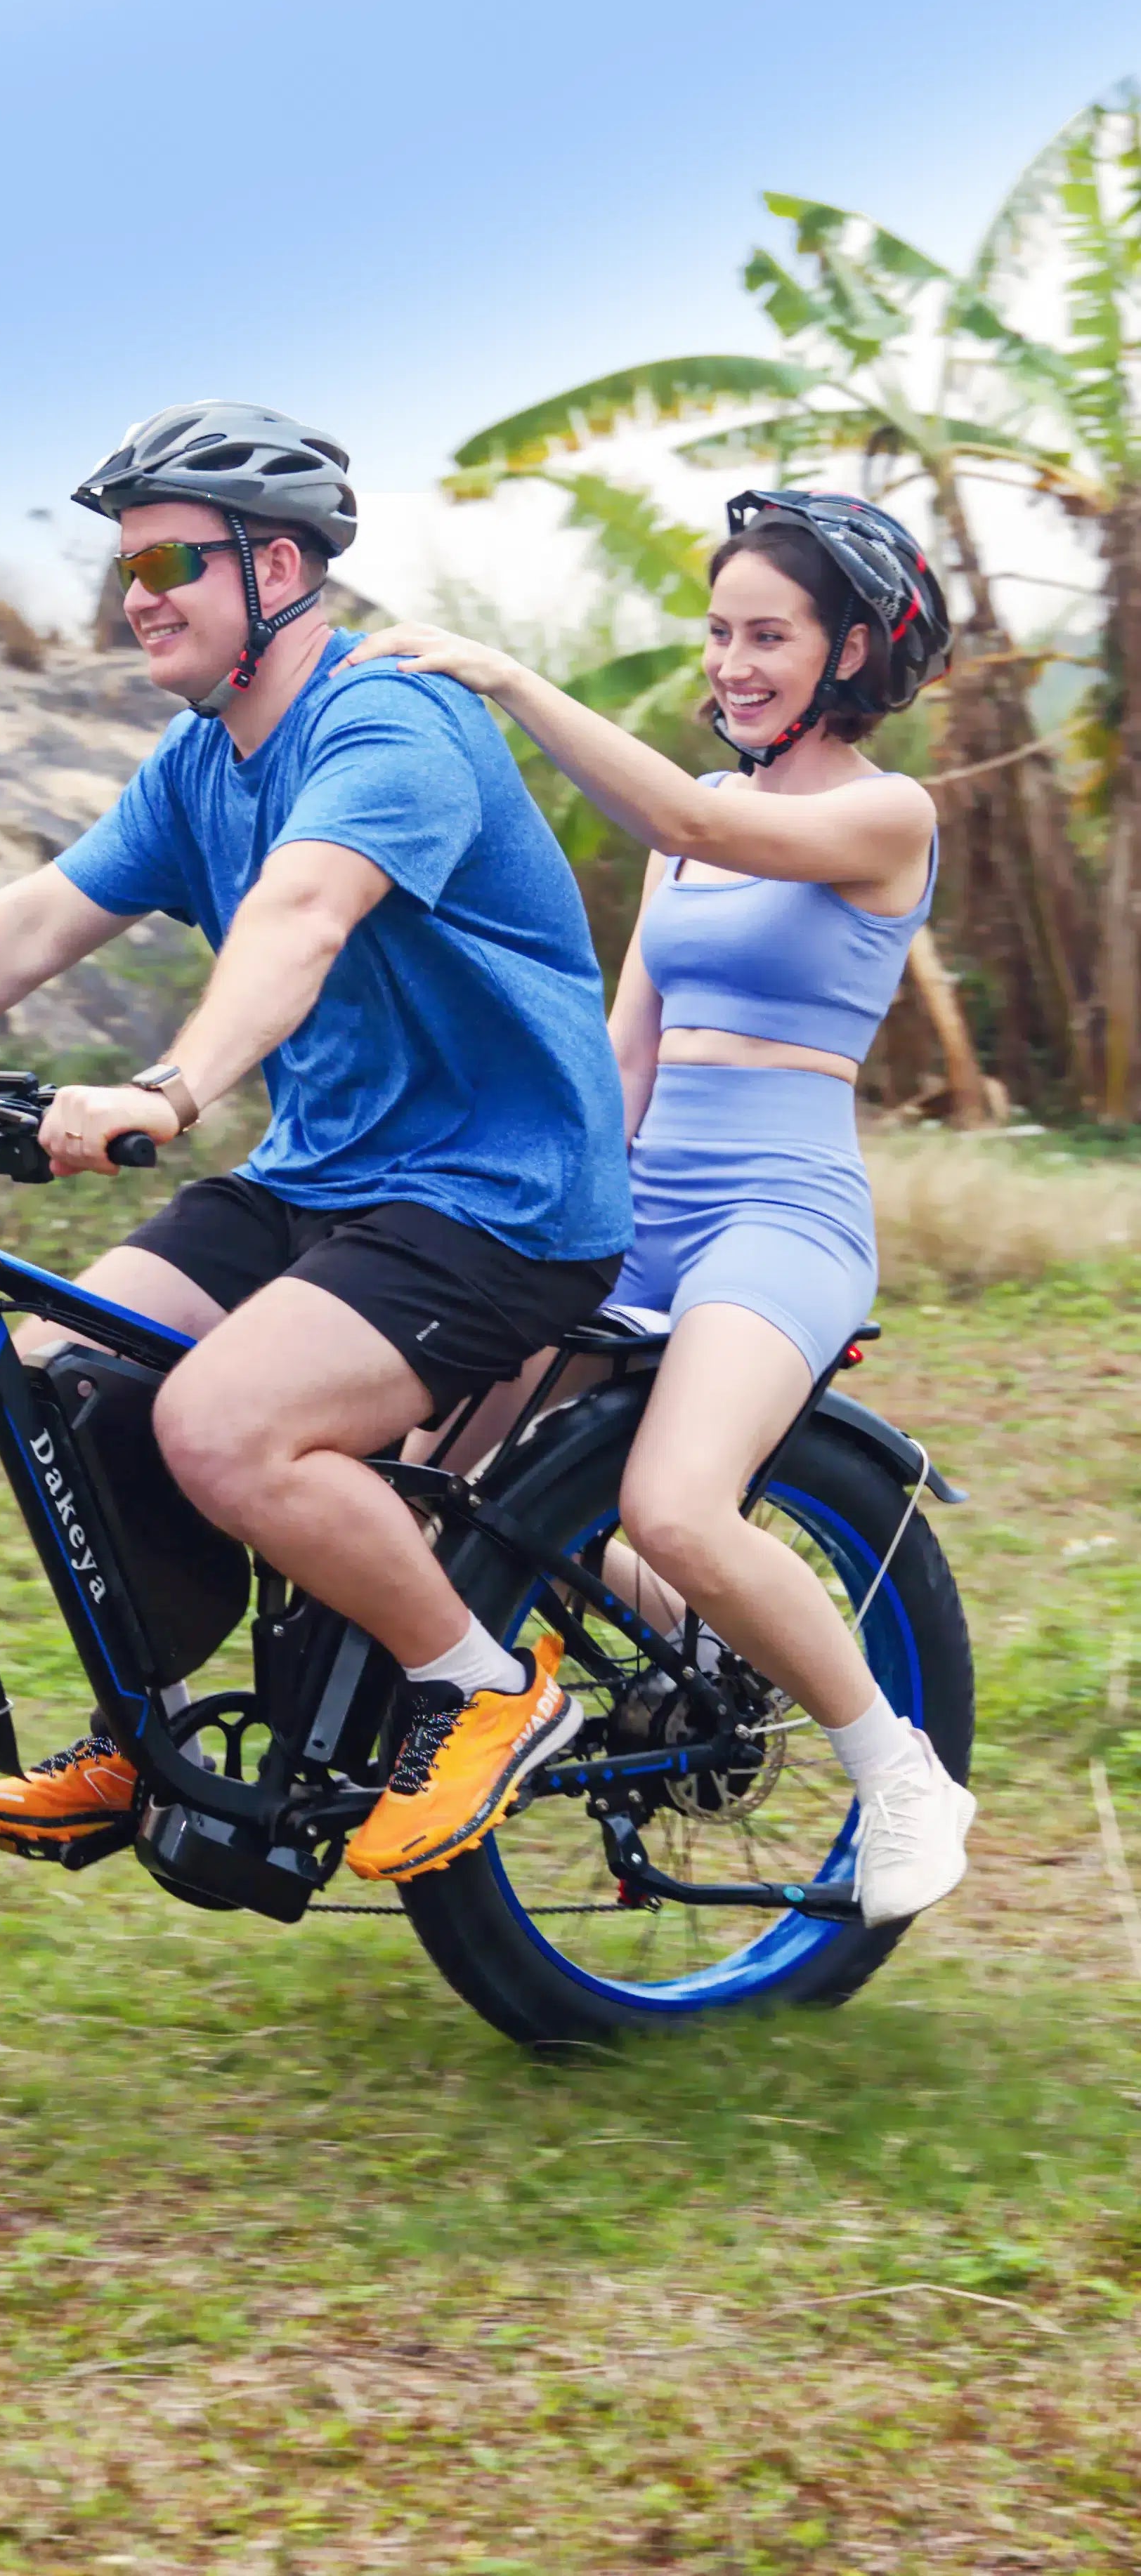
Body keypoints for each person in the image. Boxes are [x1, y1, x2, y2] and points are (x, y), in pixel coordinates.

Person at [0, 400, 632, 1884]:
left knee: (220, 1421)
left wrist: (170, 1085)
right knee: (52, 1377)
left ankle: (485, 1686)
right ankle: (151, 1734)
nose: (135, 592)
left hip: (500, 1196)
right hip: (326, 1180)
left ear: (278, 567)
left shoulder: (389, 723)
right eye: (124, 564)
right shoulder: (199, 760)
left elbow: (304, 913)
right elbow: (36, 919)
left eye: (169, 558)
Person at [342, 488, 974, 1927]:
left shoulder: (888, 813)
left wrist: (504, 676)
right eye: (720, 632)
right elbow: (622, 1056)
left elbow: (685, 805)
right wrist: (535, 1222)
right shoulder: (697, 839)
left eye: (771, 635)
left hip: (782, 1215)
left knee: (675, 1503)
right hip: (647, 1202)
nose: (733, 662)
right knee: (440, 1468)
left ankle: (897, 1773)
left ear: (855, 649)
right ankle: (665, 1667)